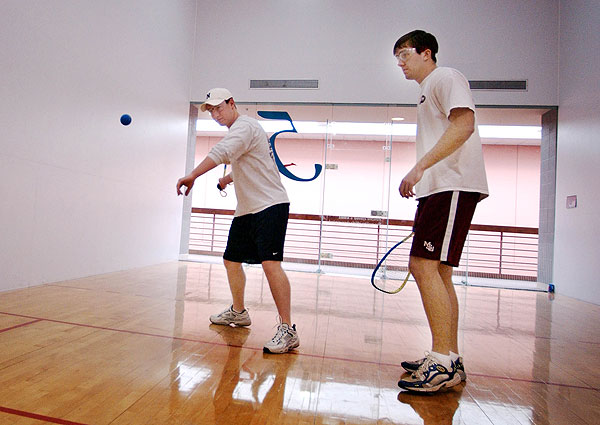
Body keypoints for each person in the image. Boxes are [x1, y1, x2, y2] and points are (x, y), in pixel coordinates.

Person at [393, 30, 488, 392]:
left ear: (426, 52)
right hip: (441, 187)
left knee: (423, 265)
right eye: (397, 58)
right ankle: (449, 357)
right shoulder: (426, 89)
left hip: (452, 183)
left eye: (404, 54)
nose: (400, 63)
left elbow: (464, 123)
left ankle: (444, 361)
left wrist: (420, 167)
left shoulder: (445, 77)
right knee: (440, 273)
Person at [176, 88, 299, 354]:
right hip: (247, 209)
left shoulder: (245, 126)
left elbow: (222, 151)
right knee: (231, 259)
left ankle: (288, 329)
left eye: (219, 108)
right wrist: (227, 179)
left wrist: (193, 175)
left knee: (270, 264)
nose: (216, 115)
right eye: (211, 111)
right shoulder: (243, 132)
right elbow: (249, 161)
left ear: (232, 104)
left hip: (270, 205)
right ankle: (239, 312)